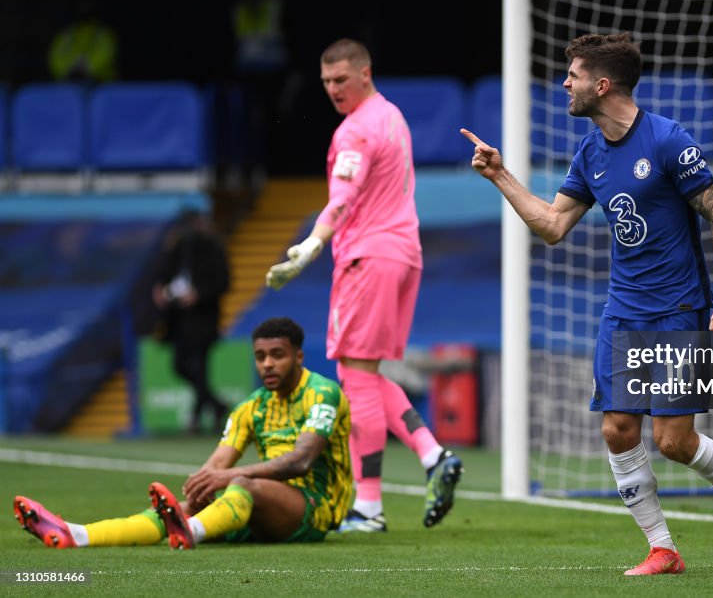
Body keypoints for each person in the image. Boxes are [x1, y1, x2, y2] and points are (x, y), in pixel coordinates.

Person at [462, 32, 713, 575]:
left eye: (574, 75)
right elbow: (553, 225)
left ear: (601, 85)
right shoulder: (589, 152)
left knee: (674, 441)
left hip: (678, 311)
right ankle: (663, 548)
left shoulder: (667, 140)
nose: (565, 84)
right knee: (617, 429)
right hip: (622, 312)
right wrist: (500, 176)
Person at [265, 38, 463, 533]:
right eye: (326, 82)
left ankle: (368, 507)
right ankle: (432, 454)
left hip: (367, 256)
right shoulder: (392, 116)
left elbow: (344, 197)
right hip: (402, 253)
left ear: (365, 73)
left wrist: (313, 243)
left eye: (341, 80)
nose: (333, 90)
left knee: (353, 377)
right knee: (366, 374)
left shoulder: (355, 131)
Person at [13, 317, 353, 549]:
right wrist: (203, 484)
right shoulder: (251, 407)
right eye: (260, 356)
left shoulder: (322, 393)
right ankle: (77, 534)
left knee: (239, 485)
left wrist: (227, 477)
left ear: (299, 356)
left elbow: (302, 461)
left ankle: (190, 531)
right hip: (264, 506)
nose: (266, 364)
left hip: (313, 509)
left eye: (277, 356)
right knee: (184, 506)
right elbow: (218, 462)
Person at [152, 209, 231, 433]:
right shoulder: (176, 248)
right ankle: (215, 405)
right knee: (180, 366)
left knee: (200, 367)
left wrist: (198, 294)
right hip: (178, 319)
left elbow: (223, 282)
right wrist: (160, 289)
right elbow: (162, 274)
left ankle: (197, 417)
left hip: (203, 320)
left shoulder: (213, 249)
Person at [47, 0, 118, 83]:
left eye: (87, 8)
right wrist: (69, 69)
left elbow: (106, 52)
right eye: (81, 8)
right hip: (68, 81)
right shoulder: (67, 34)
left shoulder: (102, 33)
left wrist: (87, 67)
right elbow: (56, 55)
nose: (84, 11)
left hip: (99, 83)